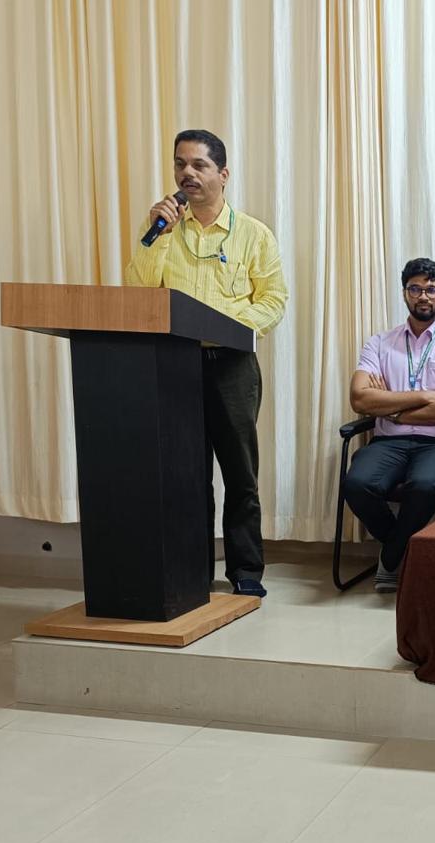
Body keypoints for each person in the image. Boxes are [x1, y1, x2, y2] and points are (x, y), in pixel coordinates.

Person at [125, 129, 287, 598]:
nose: (187, 174)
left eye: (199, 165)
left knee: (240, 473)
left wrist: (228, 326)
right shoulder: (162, 230)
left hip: (231, 365)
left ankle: (246, 570)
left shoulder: (253, 234)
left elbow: (274, 300)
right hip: (175, 366)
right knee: (185, 473)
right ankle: (190, 569)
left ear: (223, 174)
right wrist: (156, 238)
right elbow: (138, 293)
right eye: (180, 164)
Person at [343, 258, 435, 592]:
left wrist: (392, 407)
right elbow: (359, 399)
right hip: (388, 442)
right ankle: (403, 550)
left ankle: (391, 557)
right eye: (415, 289)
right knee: (357, 484)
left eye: (431, 290)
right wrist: (425, 396)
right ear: (404, 293)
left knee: (426, 485)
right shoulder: (379, 343)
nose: (423, 296)